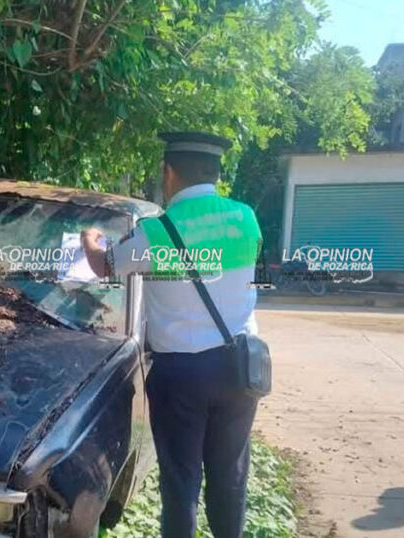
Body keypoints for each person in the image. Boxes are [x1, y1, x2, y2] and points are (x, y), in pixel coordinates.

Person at [80, 131, 263, 538]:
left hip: (181, 375)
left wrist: (89, 239)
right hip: (240, 368)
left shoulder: (157, 232)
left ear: (169, 174)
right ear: (215, 173)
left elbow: (103, 266)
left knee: (181, 481)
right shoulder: (246, 218)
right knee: (230, 476)